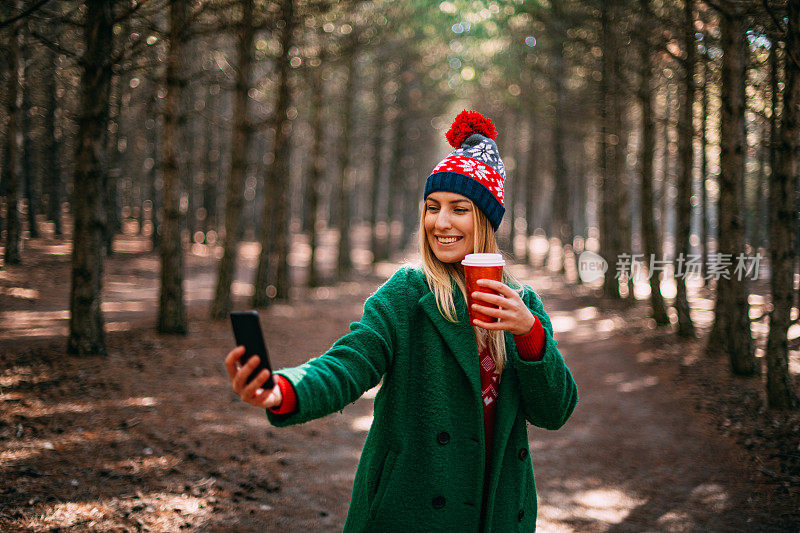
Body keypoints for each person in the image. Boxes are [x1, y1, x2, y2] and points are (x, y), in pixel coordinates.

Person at [225, 110, 578, 532]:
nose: (440, 222)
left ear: (485, 219)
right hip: (411, 509)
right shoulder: (407, 294)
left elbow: (554, 411)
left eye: (458, 209)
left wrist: (529, 334)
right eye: (432, 208)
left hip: (497, 511)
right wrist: (284, 389)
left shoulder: (523, 304)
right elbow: (349, 362)